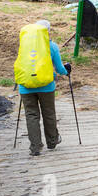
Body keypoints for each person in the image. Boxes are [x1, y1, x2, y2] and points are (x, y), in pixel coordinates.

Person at [18, 19, 71, 156]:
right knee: (48, 113)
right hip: (46, 86)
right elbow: (59, 69)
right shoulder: (51, 46)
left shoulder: (25, 45)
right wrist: (67, 71)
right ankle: (52, 142)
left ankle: (35, 147)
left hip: (26, 86)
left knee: (31, 115)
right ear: (47, 31)